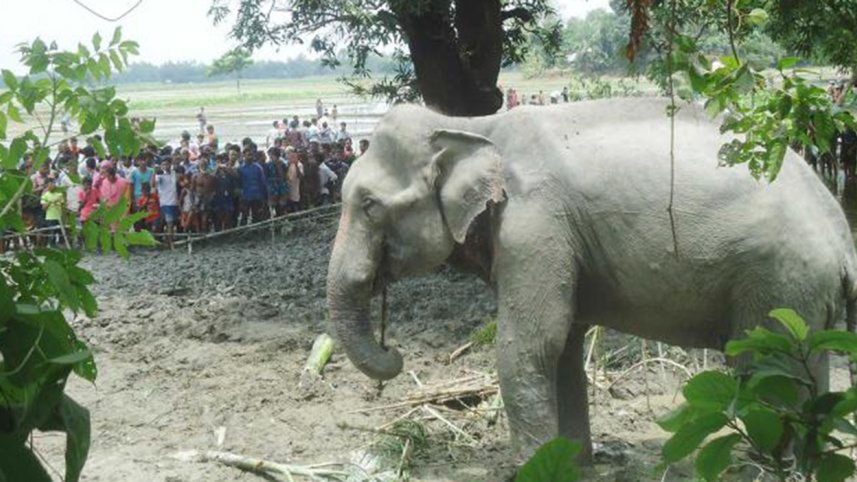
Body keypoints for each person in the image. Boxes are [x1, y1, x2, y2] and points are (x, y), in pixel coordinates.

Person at [238, 144, 268, 224]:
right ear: (243, 156)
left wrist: (264, 196)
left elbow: (263, 183)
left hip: (257, 196)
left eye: (251, 155)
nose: (250, 157)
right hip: (245, 196)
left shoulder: (258, 168)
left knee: (257, 217)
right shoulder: (240, 169)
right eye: (248, 155)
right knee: (244, 217)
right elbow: (238, 184)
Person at [155, 158, 180, 247]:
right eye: (163, 165)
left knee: (172, 223)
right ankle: (170, 243)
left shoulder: (174, 174)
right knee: (169, 223)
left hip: (174, 202)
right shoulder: (159, 176)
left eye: (167, 164)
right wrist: (155, 173)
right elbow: (154, 184)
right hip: (165, 202)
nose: (165, 166)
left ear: (170, 164)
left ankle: (169, 240)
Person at [40, 176, 65, 246]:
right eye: (50, 184)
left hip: (59, 217)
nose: (52, 185)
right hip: (50, 218)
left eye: (53, 183)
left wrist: (63, 216)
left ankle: (62, 246)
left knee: (61, 234)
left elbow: (63, 206)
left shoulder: (59, 194)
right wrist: (50, 202)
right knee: (52, 235)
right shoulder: (45, 195)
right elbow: (43, 208)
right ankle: (52, 246)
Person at [265, 147, 289, 217]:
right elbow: (266, 177)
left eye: (271, 155)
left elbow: (284, 176)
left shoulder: (283, 163)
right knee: (273, 206)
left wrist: (279, 166)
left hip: (282, 187)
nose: (270, 157)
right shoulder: (268, 164)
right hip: (273, 187)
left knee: (282, 206)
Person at [178, 169, 198, 233]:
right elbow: (179, 202)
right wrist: (181, 211)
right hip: (186, 210)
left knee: (194, 226)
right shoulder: (185, 190)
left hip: (194, 210)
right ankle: (184, 236)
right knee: (186, 225)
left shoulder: (196, 190)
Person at [285, 147, 303, 212]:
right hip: (287, 192)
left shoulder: (299, 164)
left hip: (295, 192)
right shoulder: (285, 164)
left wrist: (295, 164)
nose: (289, 156)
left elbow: (300, 176)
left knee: (295, 208)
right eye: (287, 154)